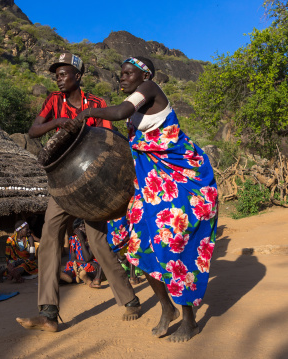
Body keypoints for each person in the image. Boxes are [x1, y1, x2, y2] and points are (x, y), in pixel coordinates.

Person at [72, 56, 218, 342]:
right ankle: (167, 309)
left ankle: (189, 319)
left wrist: (86, 112)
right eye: (120, 73)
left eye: (128, 74)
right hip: (151, 187)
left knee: (172, 244)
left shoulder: (149, 89)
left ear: (145, 75)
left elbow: (120, 110)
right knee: (138, 244)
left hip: (181, 181)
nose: (122, 78)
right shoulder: (134, 115)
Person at [17, 53, 141, 333]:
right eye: (56, 75)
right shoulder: (53, 101)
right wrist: (58, 123)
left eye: (64, 74)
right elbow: (34, 130)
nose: (58, 79)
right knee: (50, 236)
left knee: (97, 242)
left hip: (91, 184)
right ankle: (48, 313)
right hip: (61, 182)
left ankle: (129, 299)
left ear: (78, 76)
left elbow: (109, 141)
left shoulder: (95, 104)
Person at [60, 219, 102, 288]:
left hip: (91, 263)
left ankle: (82, 276)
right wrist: (77, 263)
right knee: (70, 265)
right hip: (80, 263)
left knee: (90, 267)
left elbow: (88, 258)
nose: (83, 228)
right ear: (76, 231)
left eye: (84, 226)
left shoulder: (90, 239)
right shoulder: (74, 240)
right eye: (80, 227)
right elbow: (73, 259)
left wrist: (82, 240)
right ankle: (67, 277)